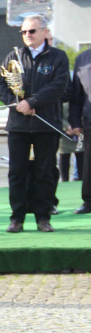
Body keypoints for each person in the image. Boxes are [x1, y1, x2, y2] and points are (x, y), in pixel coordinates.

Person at [0, 15, 70, 233]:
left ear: (45, 32)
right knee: (17, 172)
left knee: (45, 172)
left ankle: (43, 218)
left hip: (46, 124)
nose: (28, 35)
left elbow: (58, 86)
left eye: (32, 31)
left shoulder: (58, 57)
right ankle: (17, 218)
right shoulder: (13, 56)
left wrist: (33, 102)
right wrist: (16, 103)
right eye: (24, 32)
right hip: (18, 125)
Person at [67, 47, 90, 214]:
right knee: (88, 163)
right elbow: (77, 95)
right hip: (90, 120)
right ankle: (88, 201)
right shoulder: (83, 59)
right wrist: (75, 122)